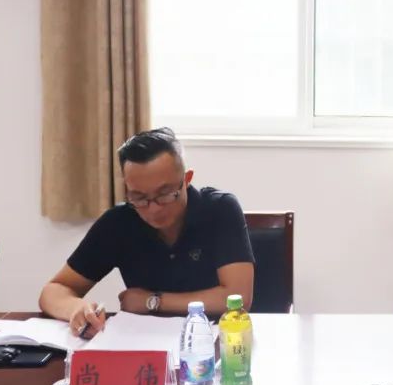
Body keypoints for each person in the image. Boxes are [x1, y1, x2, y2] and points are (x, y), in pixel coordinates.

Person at [38, 128, 254, 338]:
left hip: (218, 343)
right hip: (144, 343)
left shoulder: (219, 209)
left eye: (165, 194)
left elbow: (238, 298)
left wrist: (153, 301)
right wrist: (76, 308)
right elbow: (54, 290)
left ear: (187, 179)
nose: (154, 208)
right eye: (139, 197)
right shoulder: (119, 223)